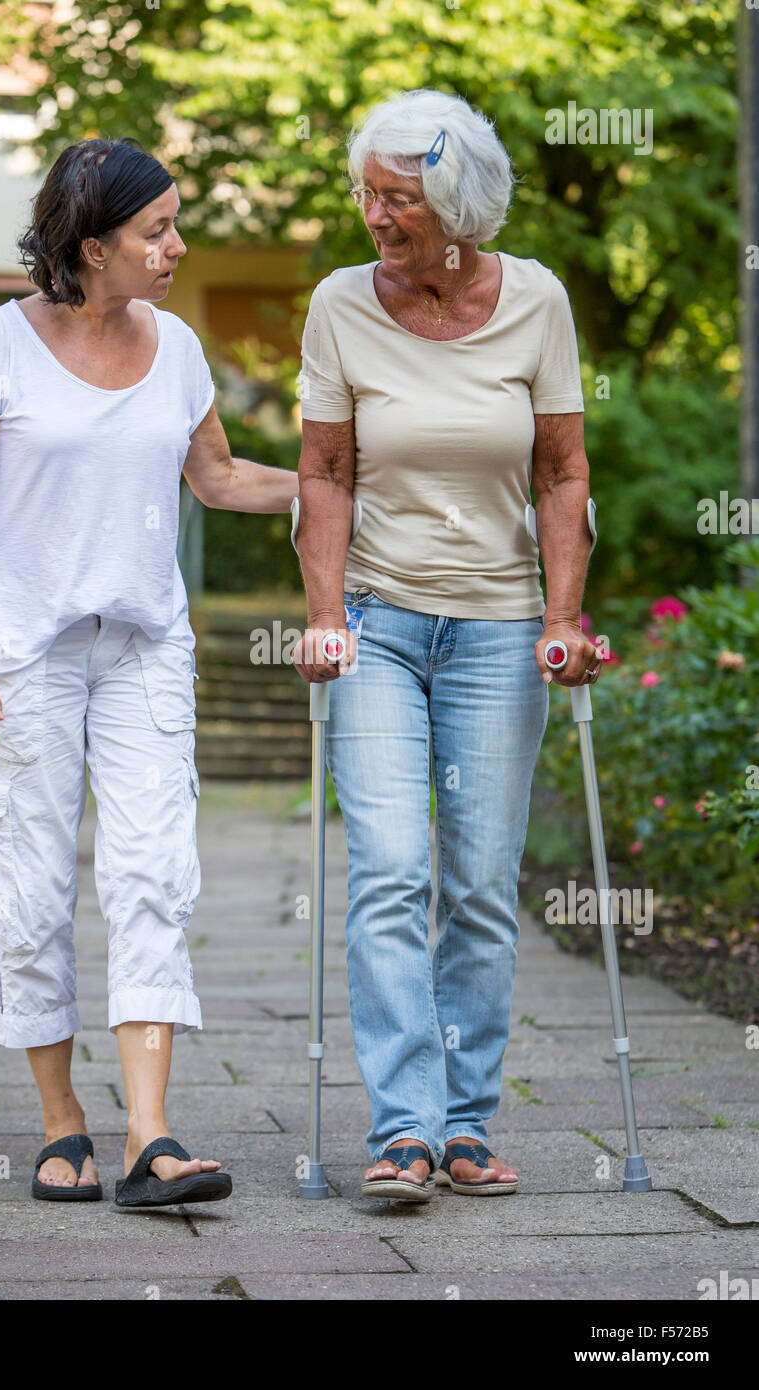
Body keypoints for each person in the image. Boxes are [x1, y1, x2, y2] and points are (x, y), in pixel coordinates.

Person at [0, 138, 298, 1207]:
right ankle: (61, 1125)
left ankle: (151, 1134)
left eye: (174, 226)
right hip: (22, 656)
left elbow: (219, 477)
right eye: (156, 232)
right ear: (90, 246)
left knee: (152, 873)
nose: (176, 246)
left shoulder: (178, 347)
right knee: (31, 888)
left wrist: (338, 487)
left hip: (142, 649)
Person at [292, 89, 599, 1202]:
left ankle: (465, 1123)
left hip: (498, 630)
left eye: (397, 198)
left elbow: (562, 472)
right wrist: (323, 613)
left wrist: (562, 618)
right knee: (387, 868)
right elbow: (324, 472)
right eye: (365, 193)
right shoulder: (339, 305)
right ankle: (404, 1130)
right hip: (375, 621)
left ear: (458, 203)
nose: (373, 214)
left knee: (476, 882)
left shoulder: (535, 303)